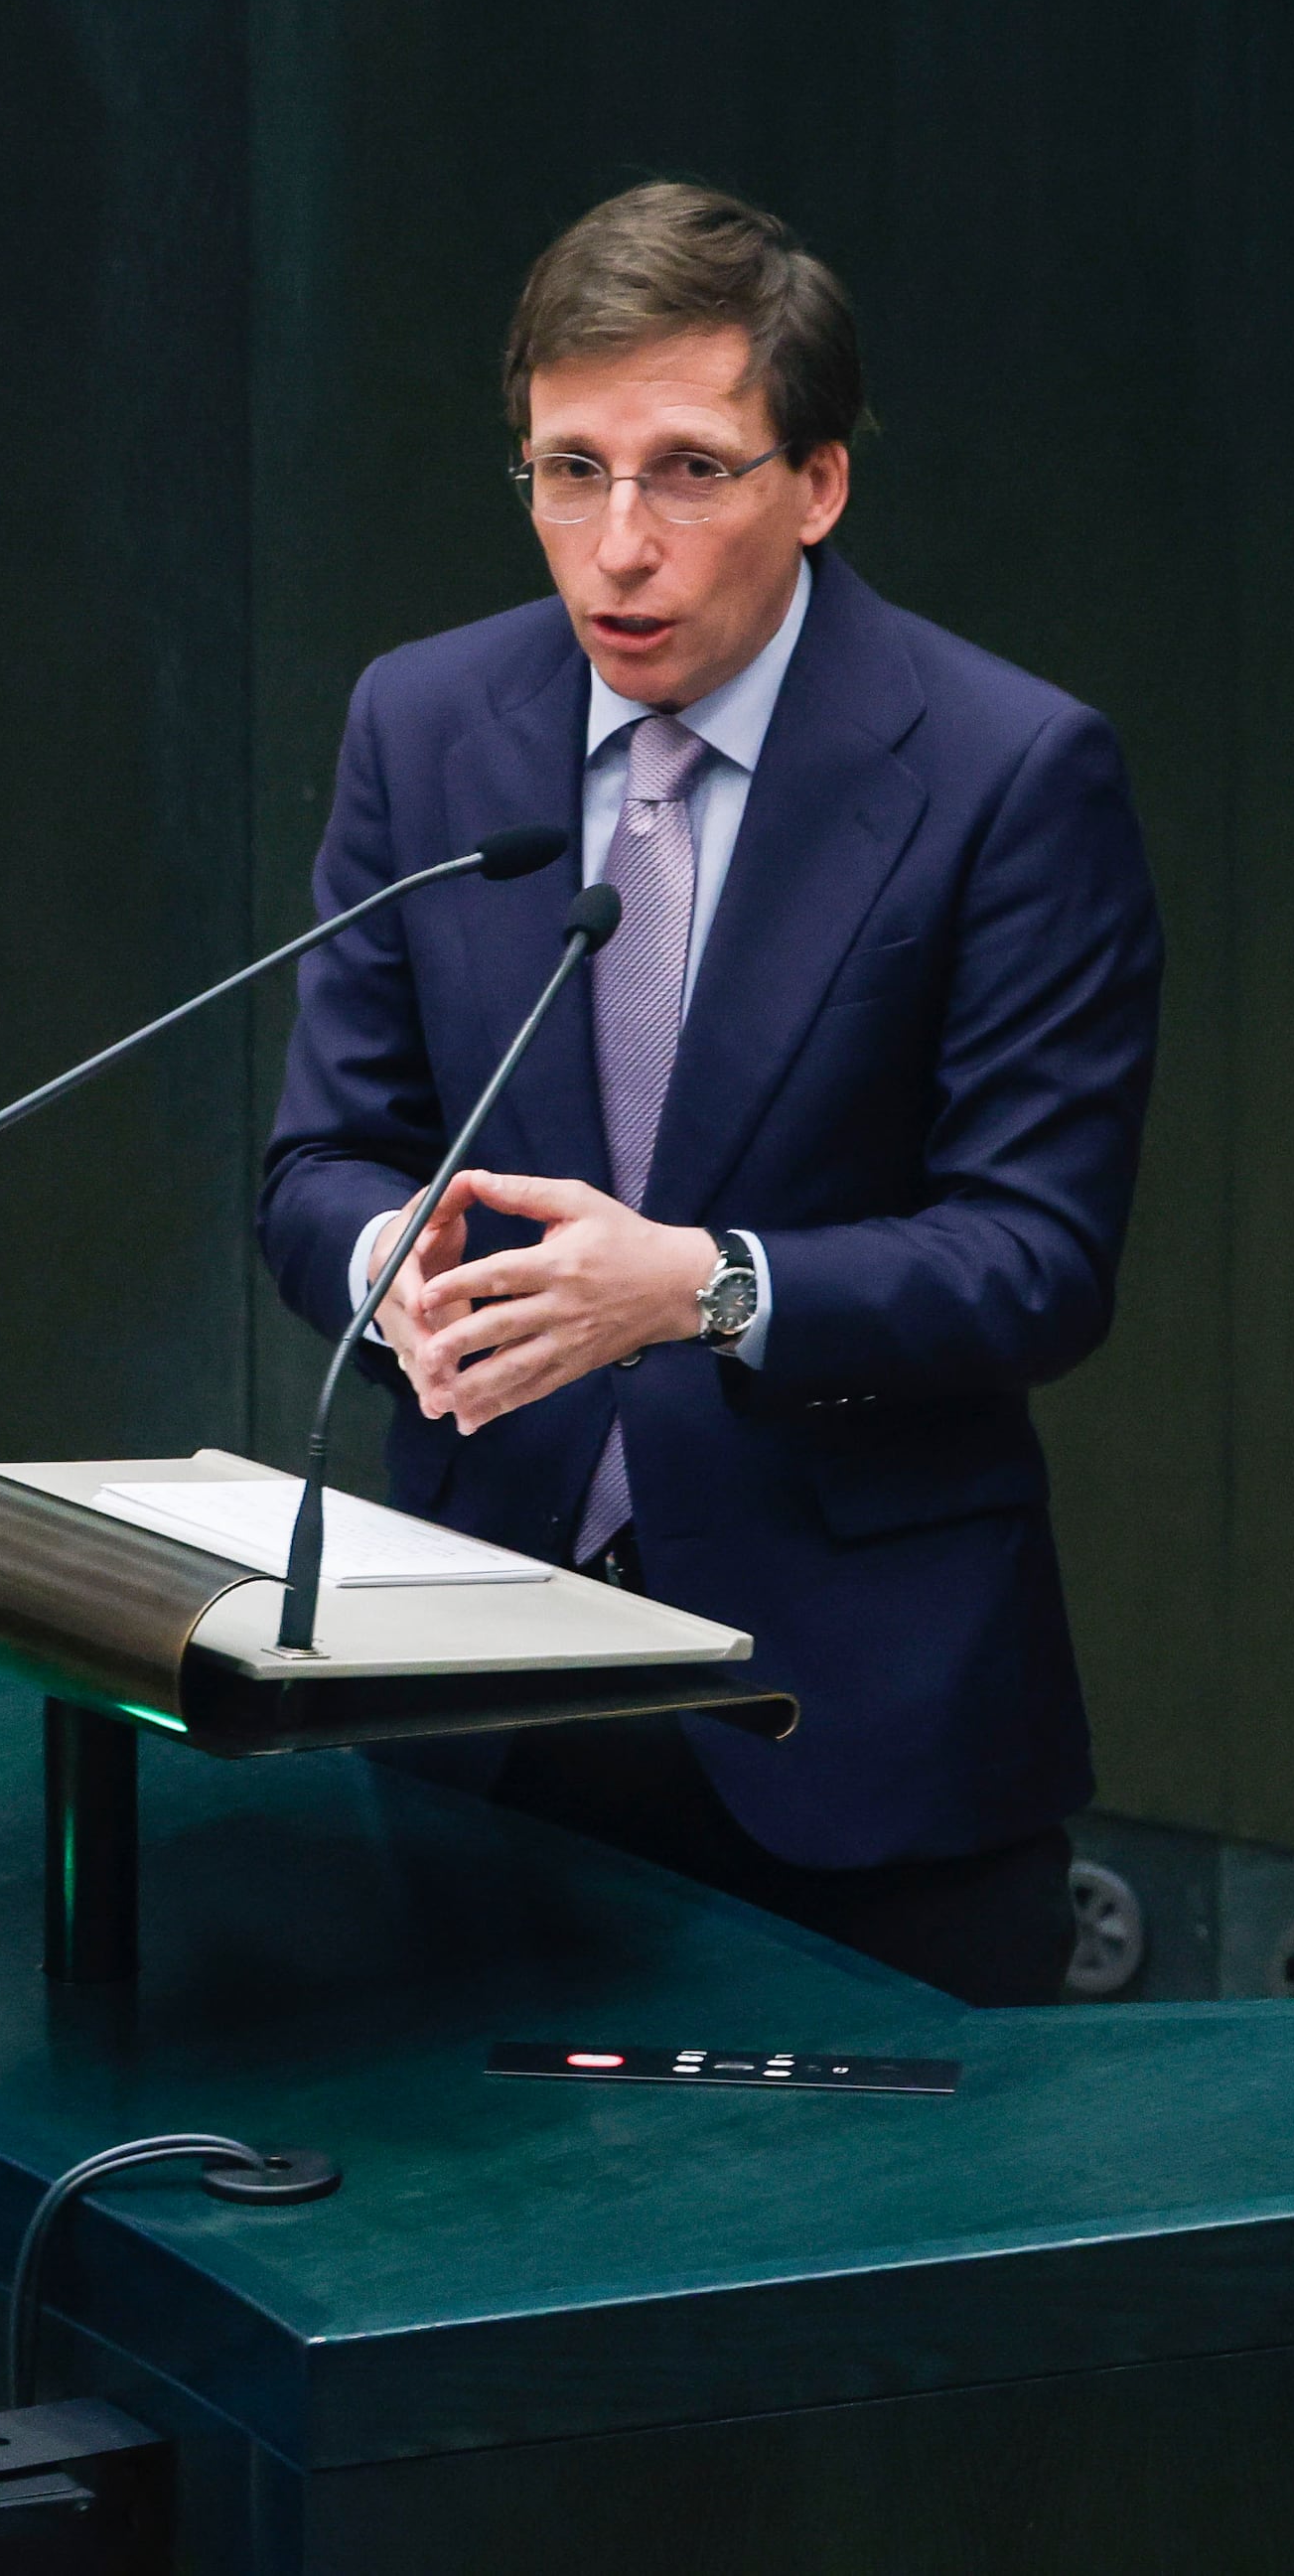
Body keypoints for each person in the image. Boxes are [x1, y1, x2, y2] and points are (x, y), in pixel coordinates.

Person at [260, 182, 1165, 2006]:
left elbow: (1037, 1256)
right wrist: (395, 1266)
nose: (616, 546)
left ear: (816, 482)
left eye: (687, 470)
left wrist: (701, 1286)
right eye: (566, 470)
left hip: (857, 1731)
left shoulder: (1006, 770)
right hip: (473, 1706)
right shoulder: (425, 728)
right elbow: (315, 1162)